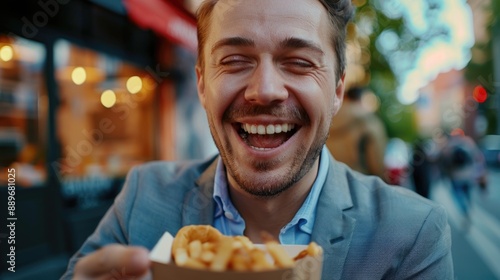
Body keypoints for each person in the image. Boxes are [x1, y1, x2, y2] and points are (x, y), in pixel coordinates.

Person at [62, 0, 454, 279]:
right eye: (234, 61)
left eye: (299, 63)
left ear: (337, 90)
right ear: (201, 85)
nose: (265, 91)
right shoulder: (142, 198)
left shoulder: (411, 235)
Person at [325, 86, 388, 180]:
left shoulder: (325, 118)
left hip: (329, 180)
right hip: (360, 184)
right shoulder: (369, 121)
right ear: (362, 98)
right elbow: (376, 163)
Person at [440, 134, 488, 219]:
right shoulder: (468, 144)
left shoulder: (450, 146)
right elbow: (478, 158)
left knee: (457, 194)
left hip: (456, 176)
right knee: (467, 193)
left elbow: (445, 162)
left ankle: (464, 210)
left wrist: (446, 175)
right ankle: (468, 207)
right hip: (468, 175)